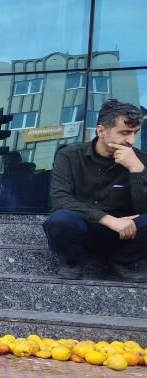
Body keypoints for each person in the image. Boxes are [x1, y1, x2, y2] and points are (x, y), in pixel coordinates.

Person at [44, 99, 147, 281]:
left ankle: (119, 262)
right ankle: (75, 262)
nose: (131, 140)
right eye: (125, 133)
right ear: (101, 131)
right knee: (60, 220)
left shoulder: (139, 160)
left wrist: (136, 171)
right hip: (83, 227)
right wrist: (107, 219)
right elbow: (60, 199)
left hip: (124, 234)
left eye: (135, 133)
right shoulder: (69, 156)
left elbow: (143, 208)